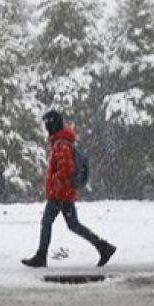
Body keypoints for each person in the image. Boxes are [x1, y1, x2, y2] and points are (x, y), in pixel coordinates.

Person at [21, 109, 116, 268]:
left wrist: (54, 182)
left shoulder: (61, 145)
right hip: (65, 193)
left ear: (53, 124)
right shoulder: (62, 142)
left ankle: (41, 256)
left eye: (47, 124)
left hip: (60, 193)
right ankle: (103, 247)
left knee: (46, 222)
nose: (46, 127)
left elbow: (67, 169)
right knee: (73, 225)